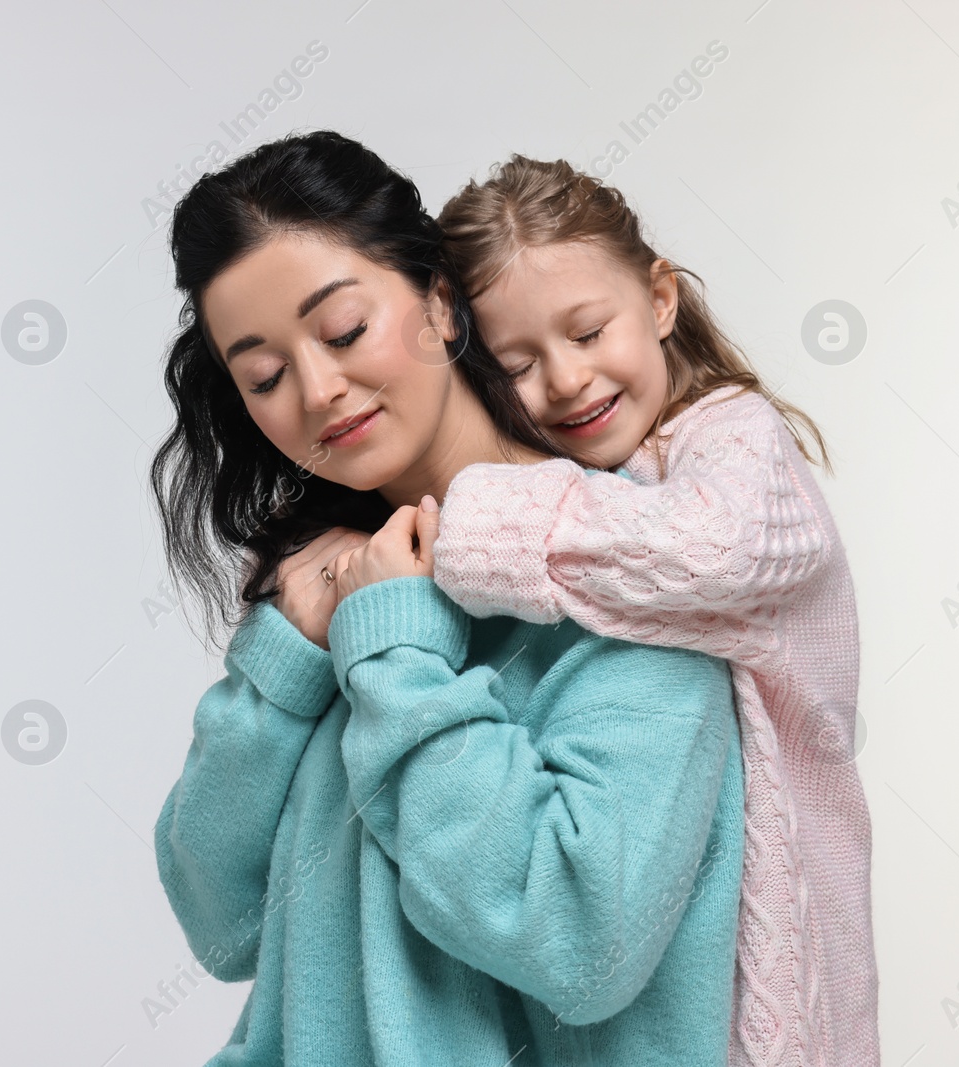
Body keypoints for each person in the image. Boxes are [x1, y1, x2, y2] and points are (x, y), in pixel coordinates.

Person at [149, 129, 745, 1065]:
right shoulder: (336, 588)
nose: (317, 389)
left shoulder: (621, 569)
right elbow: (220, 926)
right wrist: (284, 669)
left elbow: (586, 944)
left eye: (344, 331)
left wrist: (398, 658)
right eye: (262, 375)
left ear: (439, 305)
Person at [430, 155, 880, 1066]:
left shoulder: (734, 439)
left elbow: (710, 552)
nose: (566, 380)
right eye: (518, 362)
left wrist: (458, 513)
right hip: (660, 969)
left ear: (660, 299)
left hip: (784, 956)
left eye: (589, 331)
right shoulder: (592, 486)